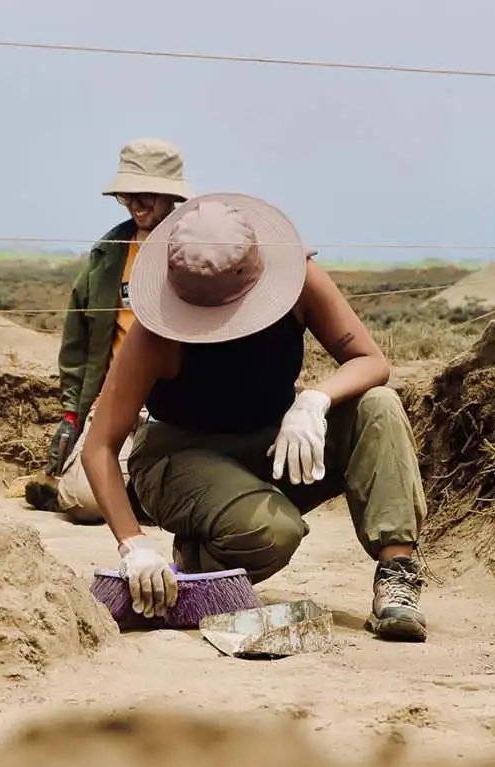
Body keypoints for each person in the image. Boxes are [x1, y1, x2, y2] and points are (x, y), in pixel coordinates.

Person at [78, 193, 429, 642]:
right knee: (272, 532)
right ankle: (197, 565)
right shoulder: (155, 336)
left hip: (276, 440)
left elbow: (369, 361)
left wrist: (314, 402)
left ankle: (396, 576)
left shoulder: (299, 281)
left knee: (378, 404)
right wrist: (134, 546)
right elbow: (100, 446)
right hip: (186, 456)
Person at [30, 138, 194, 521]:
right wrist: (73, 412)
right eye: (127, 196)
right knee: (84, 504)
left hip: (182, 409)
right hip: (119, 402)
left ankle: (143, 491)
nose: (136, 205)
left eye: (146, 195)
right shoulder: (108, 254)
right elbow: (77, 339)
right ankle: (85, 483)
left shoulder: (200, 250)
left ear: (171, 196)